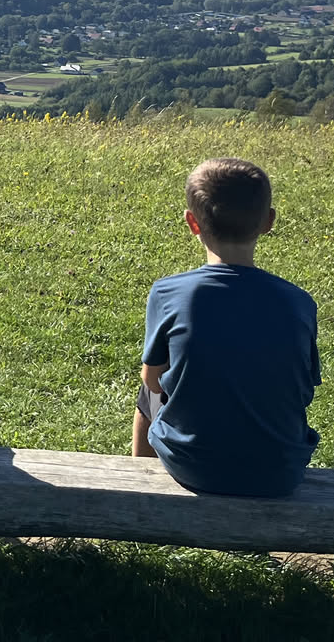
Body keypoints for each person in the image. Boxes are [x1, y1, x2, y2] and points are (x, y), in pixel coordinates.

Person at [134, 157, 320, 497]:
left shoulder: (169, 292)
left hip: (194, 466)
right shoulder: (300, 302)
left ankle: (141, 486)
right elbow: (305, 390)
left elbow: (152, 381)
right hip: (279, 472)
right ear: (268, 221)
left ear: (192, 222)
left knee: (148, 387)